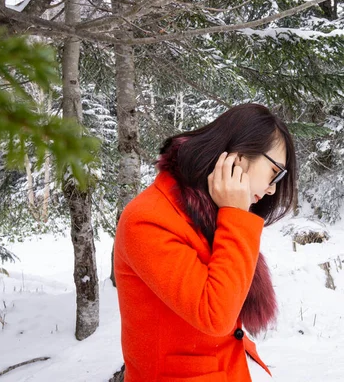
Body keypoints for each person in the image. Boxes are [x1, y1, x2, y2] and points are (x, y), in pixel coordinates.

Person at [114, 103, 297, 382]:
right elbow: (217, 316)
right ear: (237, 156)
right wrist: (236, 215)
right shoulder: (148, 219)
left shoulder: (205, 214)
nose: (273, 187)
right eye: (275, 172)